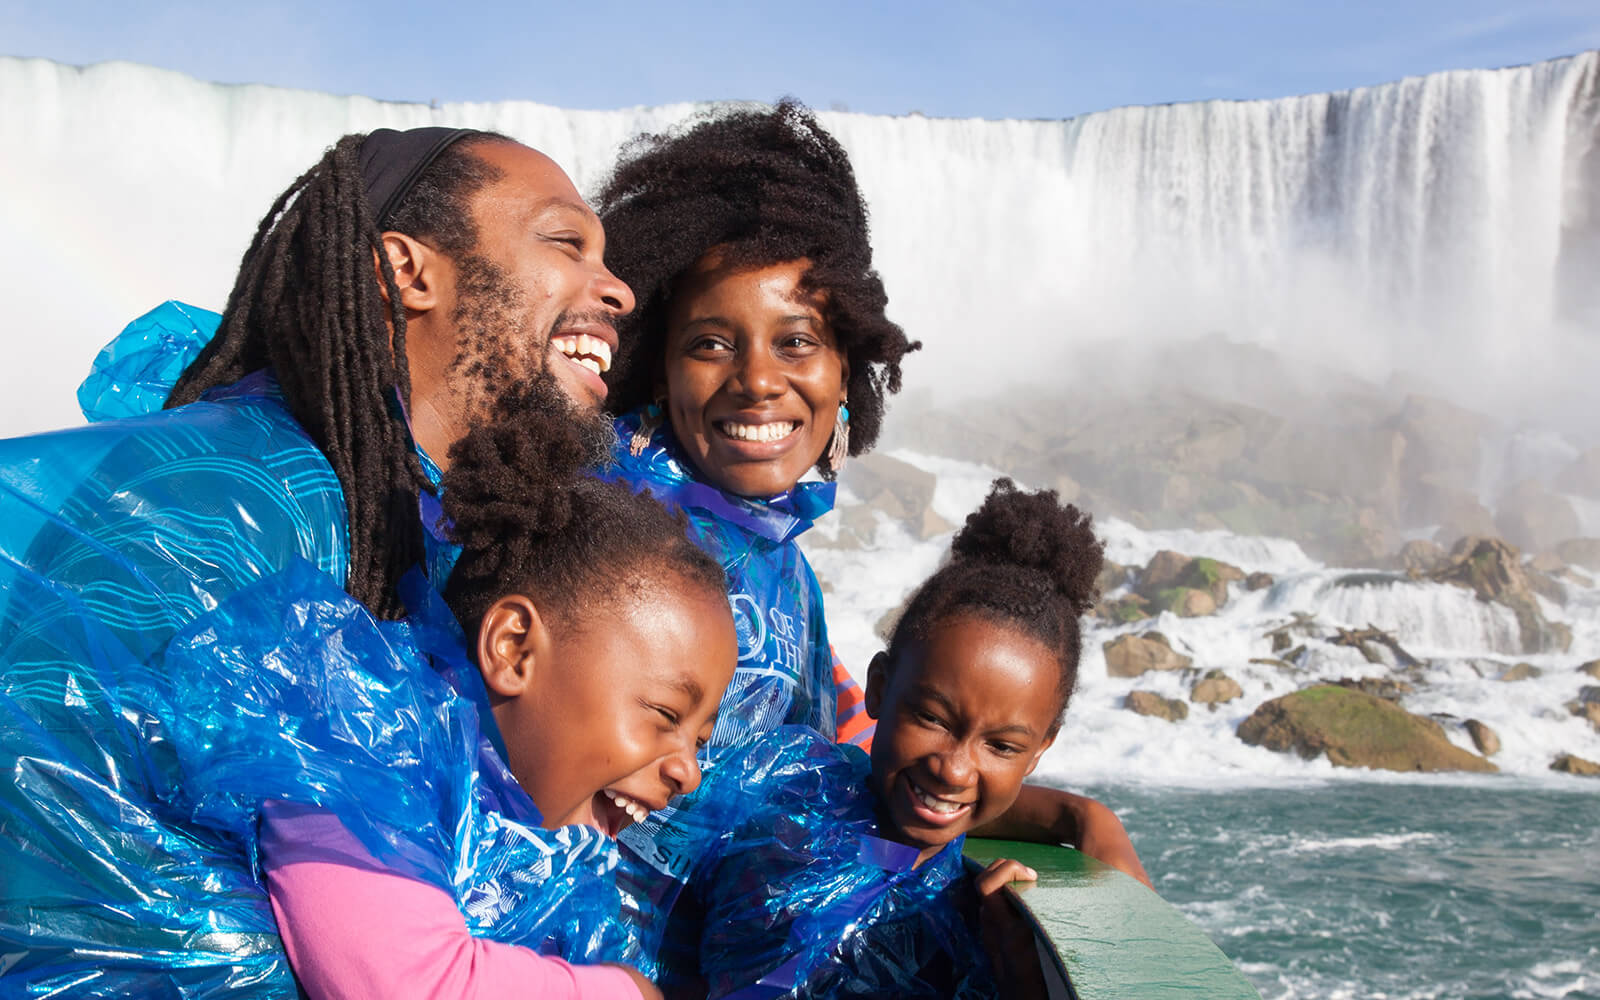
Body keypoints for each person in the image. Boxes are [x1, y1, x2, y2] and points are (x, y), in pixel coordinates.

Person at [0, 126, 634, 992]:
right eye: (567, 242)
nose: (620, 290)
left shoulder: (388, 513)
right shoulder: (240, 500)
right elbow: (57, 865)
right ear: (406, 272)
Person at [591, 103, 1145, 972]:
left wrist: (1074, 818)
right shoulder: (606, 544)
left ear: (846, 369)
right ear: (656, 368)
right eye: (709, 344)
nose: (759, 381)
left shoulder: (783, 570)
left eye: (798, 341)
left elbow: (862, 752)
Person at [159, 397, 740, 1000]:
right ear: (515, 650)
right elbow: (409, 983)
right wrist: (625, 993)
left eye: (699, 739)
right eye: (667, 715)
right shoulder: (365, 752)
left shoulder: (540, 852)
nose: (688, 773)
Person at [685, 478, 1101, 999]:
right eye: (932, 718)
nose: (953, 769)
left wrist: (1018, 969)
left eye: (1002, 747)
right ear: (878, 688)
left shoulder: (974, 917)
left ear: (1040, 751)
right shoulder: (785, 793)